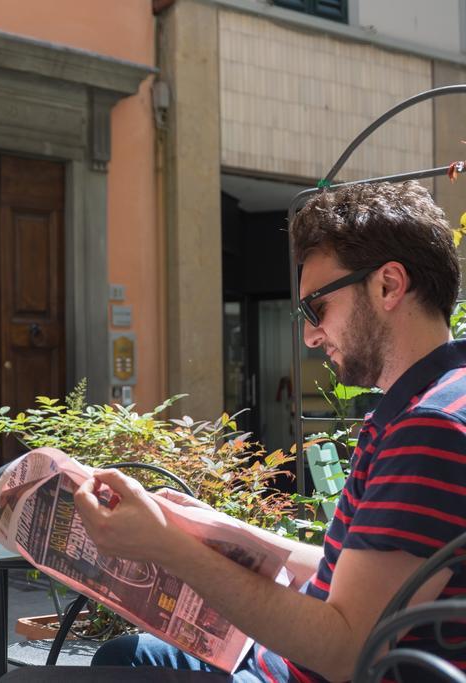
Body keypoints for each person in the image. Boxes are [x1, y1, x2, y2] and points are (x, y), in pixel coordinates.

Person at [75, 180, 466, 682]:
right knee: (124, 655)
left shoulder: (429, 428)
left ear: (389, 285)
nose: (308, 334)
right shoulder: (436, 399)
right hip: (284, 664)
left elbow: (346, 649)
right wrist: (218, 530)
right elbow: (354, 572)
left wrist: (168, 548)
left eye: (316, 307)